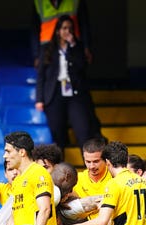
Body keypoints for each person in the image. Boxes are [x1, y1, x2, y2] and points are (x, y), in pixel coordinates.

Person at [35, 15, 100, 155]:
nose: (67, 31)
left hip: (74, 95)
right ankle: (59, 171)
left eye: (70, 28)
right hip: (55, 94)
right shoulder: (47, 48)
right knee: (57, 135)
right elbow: (41, 75)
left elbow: (82, 67)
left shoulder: (77, 46)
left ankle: (90, 165)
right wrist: (39, 99)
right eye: (64, 28)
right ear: (58, 31)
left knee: (83, 130)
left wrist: (73, 46)